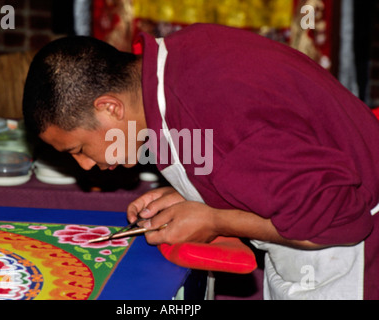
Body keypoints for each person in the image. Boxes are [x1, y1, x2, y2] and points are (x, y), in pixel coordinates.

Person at [22, 23, 379, 300]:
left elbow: (341, 220)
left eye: (79, 149)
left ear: (110, 107)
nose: (85, 166)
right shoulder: (172, 65)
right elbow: (247, 155)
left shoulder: (216, 115)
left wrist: (215, 218)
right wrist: (198, 195)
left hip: (356, 264)